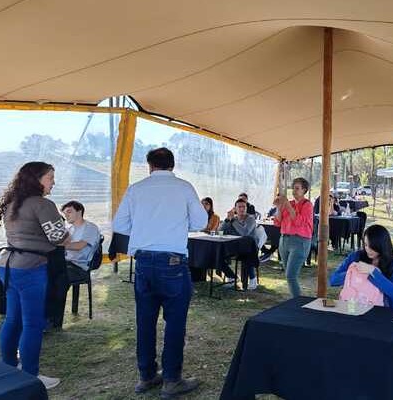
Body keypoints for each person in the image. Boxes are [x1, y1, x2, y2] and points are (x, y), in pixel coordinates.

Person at [113, 147, 207, 397]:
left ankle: (146, 376)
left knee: (145, 321)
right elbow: (201, 222)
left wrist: (145, 228)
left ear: (150, 166)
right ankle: (171, 380)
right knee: (175, 323)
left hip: (144, 262)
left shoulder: (136, 189)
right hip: (172, 263)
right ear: (172, 165)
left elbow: (119, 224)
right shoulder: (184, 187)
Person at [0, 162, 69, 389]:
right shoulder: (43, 204)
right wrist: (64, 229)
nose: (53, 182)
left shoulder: (12, 202)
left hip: (8, 266)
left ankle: (9, 368)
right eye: (50, 177)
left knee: (12, 319)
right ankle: (30, 376)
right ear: (36, 179)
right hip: (30, 268)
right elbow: (59, 238)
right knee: (32, 323)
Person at [330, 225, 393, 308]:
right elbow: (333, 280)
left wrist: (373, 272)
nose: (368, 249)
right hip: (353, 307)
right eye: (365, 245)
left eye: (372, 246)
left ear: (382, 245)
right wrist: (354, 273)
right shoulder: (356, 256)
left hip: (384, 310)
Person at [274, 178, 313, 297]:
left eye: (297, 188)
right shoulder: (289, 203)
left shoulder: (307, 205)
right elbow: (277, 222)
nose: (294, 191)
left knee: (290, 275)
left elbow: (298, 222)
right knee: (289, 275)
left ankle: (297, 301)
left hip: (299, 241)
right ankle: (295, 300)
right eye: (293, 188)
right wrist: (279, 207)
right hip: (284, 240)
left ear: (304, 190)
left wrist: (287, 205)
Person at [220, 199, 259, 289]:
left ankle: (252, 278)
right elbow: (221, 231)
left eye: (244, 207)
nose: (242, 209)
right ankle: (231, 276)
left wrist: (233, 221)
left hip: (249, 248)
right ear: (235, 209)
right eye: (239, 207)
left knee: (247, 254)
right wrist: (227, 220)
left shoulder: (250, 219)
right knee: (217, 253)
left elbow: (244, 232)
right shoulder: (232, 219)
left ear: (246, 208)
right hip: (234, 247)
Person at [61, 201, 101, 282]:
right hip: (68, 263)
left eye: (69, 212)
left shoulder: (90, 227)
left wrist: (59, 246)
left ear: (79, 212)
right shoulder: (70, 229)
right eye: (65, 214)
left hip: (79, 267)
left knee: (54, 275)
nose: (66, 216)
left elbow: (79, 246)